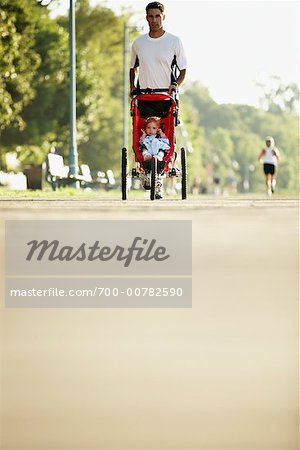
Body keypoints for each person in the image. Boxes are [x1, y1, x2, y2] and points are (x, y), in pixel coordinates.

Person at [129, 2, 187, 198]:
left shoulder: (174, 41)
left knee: (168, 131)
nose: (154, 20)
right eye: (150, 16)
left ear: (163, 17)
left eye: (157, 16)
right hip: (144, 95)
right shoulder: (138, 43)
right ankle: (145, 168)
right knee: (141, 131)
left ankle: (160, 176)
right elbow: (133, 68)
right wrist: (133, 87)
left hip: (165, 96)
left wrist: (175, 84)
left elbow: (183, 70)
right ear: (146, 18)